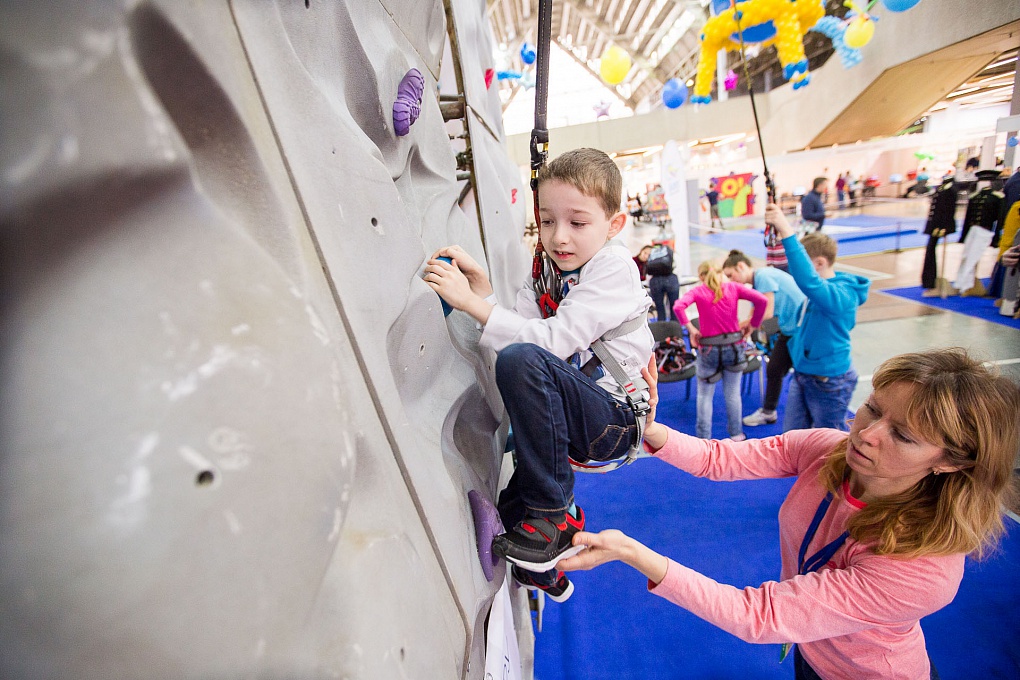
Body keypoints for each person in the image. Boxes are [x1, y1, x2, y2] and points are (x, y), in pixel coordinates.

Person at [558, 347, 1020, 680]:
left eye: (903, 435)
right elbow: (721, 459)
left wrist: (629, 551)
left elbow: (755, 616)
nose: (866, 434)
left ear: (951, 462)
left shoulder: (924, 572)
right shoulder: (828, 449)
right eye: (872, 409)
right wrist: (648, 428)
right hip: (811, 651)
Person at [425, 147, 654, 603]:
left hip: (613, 421)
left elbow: (547, 343)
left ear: (614, 226)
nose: (559, 237)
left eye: (577, 222)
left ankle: (556, 515)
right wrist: (484, 292)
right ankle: (547, 572)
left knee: (523, 361)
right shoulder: (547, 272)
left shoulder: (613, 269)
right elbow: (515, 335)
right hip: (578, 413)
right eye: (547, 221)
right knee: (512, 511)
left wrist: (474, 305)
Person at [765, 203, 870, 432]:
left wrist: (784, 228)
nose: (795, 269)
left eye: (802, 262)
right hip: (804, 375)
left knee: (826, 444)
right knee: (793, 438)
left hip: (828, 381)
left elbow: (809, 281)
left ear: (820, 263)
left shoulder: (841, 295)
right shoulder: (826, 292)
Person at [673, 261, 767, 440]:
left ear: (701, 277)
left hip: (708, 349)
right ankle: (736, 434)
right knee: (732, 393)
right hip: (734, 346)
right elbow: (762, 300)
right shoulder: (733, 287)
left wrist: (692, 330)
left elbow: (678, 306)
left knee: (704, 395)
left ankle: (704, 438)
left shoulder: (698, 291)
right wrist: (753, 325)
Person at [722, 249, 806, 427]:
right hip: (789, 329)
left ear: (741, 266)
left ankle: (807, 417)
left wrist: (742, 326)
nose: (731, 280)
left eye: (731, 275)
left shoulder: (764, 275)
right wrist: (744, 328)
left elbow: (766, 313)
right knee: (775, 368)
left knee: (800, 375)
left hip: (801, 329)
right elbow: (756, 312)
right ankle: (769, 412)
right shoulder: (757, 284)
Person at [644, 242, 680, 322]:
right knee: (674, 307)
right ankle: (675, 331)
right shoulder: (669, 251)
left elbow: (647, 272)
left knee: (659, 308)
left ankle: (662, 331)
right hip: (671, 279)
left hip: (655, 281)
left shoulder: (653, 253)